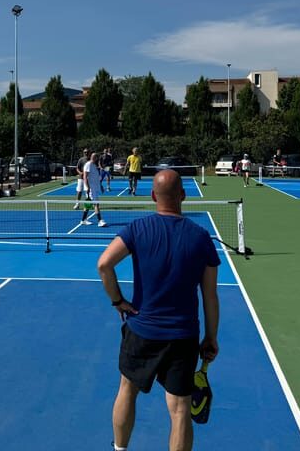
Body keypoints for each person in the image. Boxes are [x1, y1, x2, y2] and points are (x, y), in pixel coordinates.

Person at [97, 169, 220, 451]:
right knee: (179, 411)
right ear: (184, 196)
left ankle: (120, 449)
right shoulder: (202, 238)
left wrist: (118, 301)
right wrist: (211, 337)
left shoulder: (137, 229)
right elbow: (210, 296)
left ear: (153, 196)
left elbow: (104, 264)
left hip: (141, 331)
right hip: (183, 337)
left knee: (127, 391)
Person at [80, 152, 108, 227]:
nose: (95, 158)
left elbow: (96, 178)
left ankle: (83, 220)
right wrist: (88, 187)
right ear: (93, 157)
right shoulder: (88, 164)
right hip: (91, 189)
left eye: (95, 157)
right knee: (96, 204)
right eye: (94, 157)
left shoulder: (94, 166)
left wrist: (101, 186)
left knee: (88, 205)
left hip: (95, 188)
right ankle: (100, 221)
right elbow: (85, 177)